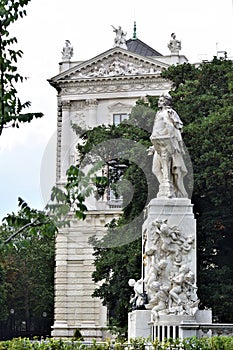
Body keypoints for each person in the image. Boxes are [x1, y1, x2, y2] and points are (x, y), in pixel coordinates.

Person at [149, 93, 188, 198]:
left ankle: (168, 189)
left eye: (161, 100)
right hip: (158, 144)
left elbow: (171, 126)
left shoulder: (168, 112)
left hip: (167, 144)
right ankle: (165, 187)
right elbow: (158, 130)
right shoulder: (159, 113)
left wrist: (171, 141)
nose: (159, 102)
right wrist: (153, 146)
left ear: (166, 102)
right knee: (155, 169)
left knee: (167, 168)